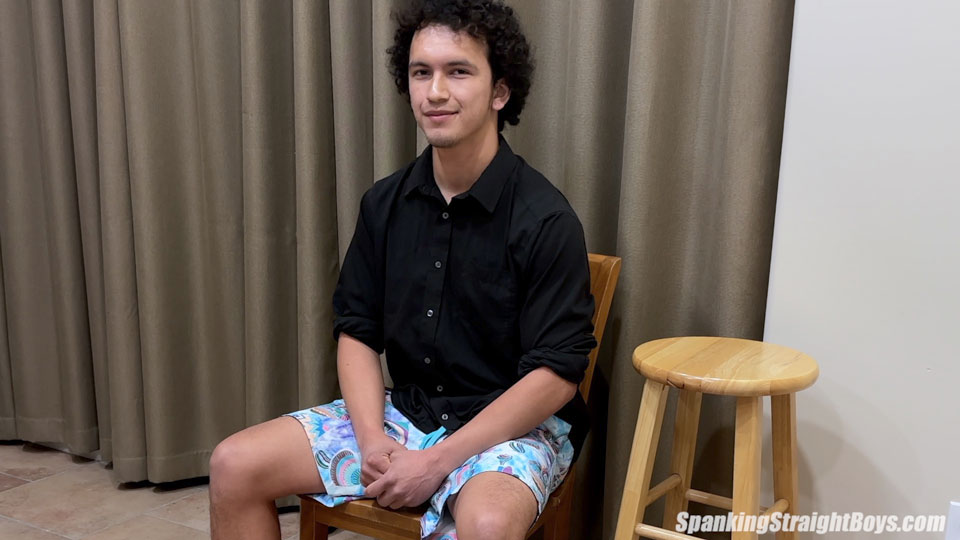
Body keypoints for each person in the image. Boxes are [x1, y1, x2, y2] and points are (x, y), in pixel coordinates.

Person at [208, 1, 595, 538]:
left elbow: (556, 376)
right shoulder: (384, 204)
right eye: (420, 72)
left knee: (486, 525)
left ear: (500, 91)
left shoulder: (546, 219)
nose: (435, 91)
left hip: (509, 430)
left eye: (458, 71)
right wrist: (372, 441)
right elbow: (357, 330)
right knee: (233, 464)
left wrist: (437, 462)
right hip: (406, 413)